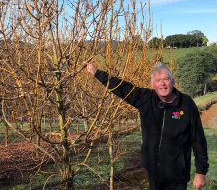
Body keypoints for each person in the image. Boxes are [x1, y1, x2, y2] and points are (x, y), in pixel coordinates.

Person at [86, 62, 208, 190]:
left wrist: (201, 172)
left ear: (173, 81)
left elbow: (198, 139)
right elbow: (121, 87)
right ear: (152, 84)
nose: (162, 83)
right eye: (158, 80)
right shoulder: (145, 98)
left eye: (166, 79)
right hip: (153, 172)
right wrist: (96, 73)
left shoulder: (186, 104)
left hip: (177, 175)